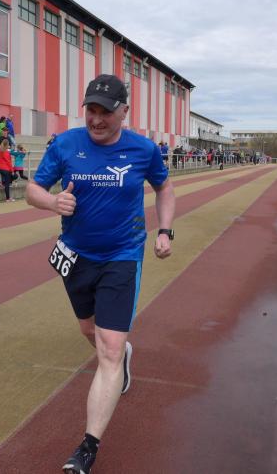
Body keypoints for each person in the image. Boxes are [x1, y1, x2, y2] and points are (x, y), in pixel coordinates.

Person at [26, 74, 175, 473]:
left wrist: (164, 230)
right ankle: (122, 353)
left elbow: (164, 188)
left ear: (124, 111)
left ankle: (87, 448)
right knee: (88, 331)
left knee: (107, 349)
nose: (96, 119)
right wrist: (52, 202)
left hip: (122, 255)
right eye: (91, 110)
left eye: (105, 112)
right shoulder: (66, 144)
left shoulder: (144, 150)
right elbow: (32, 189)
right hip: (76, 256)